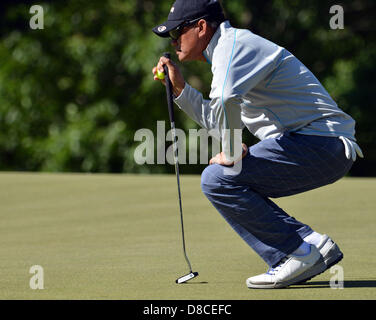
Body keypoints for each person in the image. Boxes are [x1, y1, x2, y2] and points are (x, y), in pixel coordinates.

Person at [152, 0, 363, 289]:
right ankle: (309, 243)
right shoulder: (228, 51)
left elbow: (225, 102)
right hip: (322, 147)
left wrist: (230, 148)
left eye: (177, 33)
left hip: (321, 144)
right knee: (224, 177)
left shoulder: (231, 47)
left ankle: (297, 253)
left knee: (217, 179)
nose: (174, 42)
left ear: (201, 27)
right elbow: (219, 117)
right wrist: (181, 90)